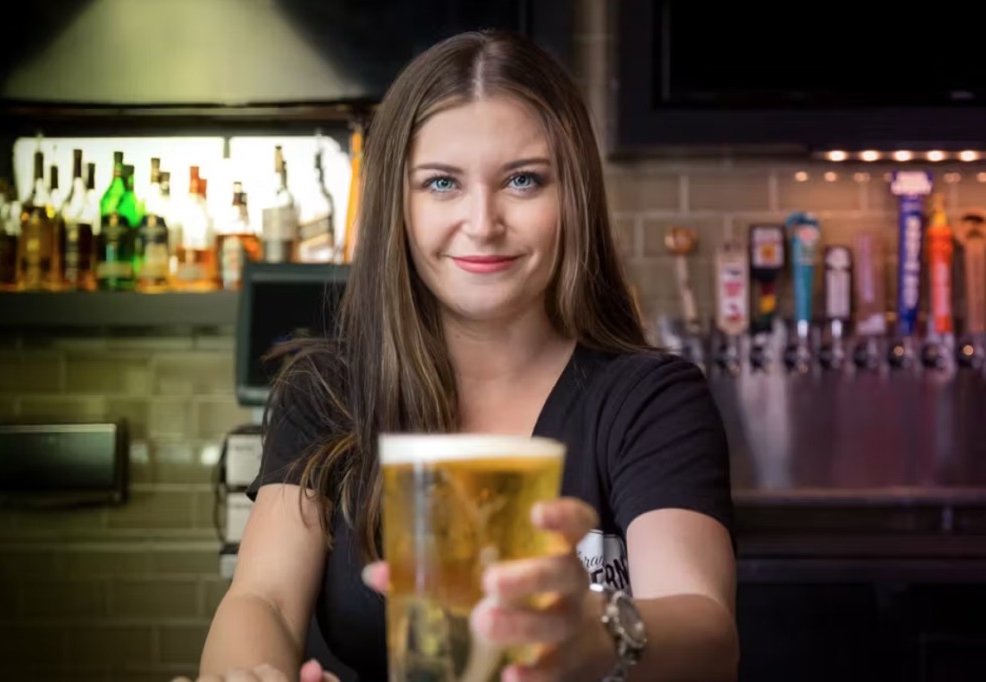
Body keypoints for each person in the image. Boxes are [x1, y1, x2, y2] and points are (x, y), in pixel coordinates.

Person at [190, 28, 738, 682]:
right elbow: (264, 601)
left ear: (575, 199)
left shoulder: (647, 399)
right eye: (443, 183)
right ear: (398, 203)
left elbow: (706, 629)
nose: (482, 222)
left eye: (524, 180)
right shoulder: (328, 391)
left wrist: (595, 633)